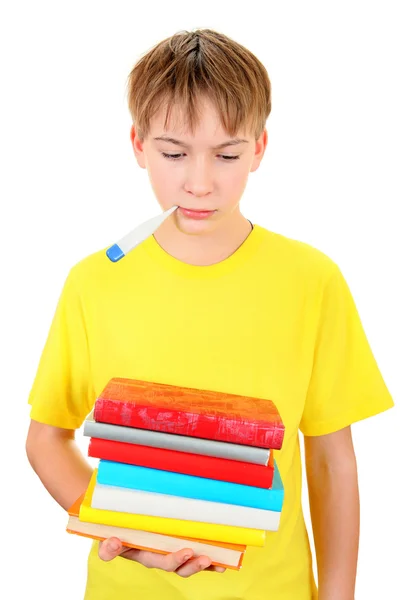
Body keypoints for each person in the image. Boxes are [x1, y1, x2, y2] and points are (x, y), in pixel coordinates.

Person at [25, 28, 394, 600]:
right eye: (174, 153)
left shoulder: (311, 280)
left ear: (261, 148)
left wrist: (339, 595)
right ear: (138, 144)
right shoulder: (93, 283)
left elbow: (330, 461)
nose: (199, 182)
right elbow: (47, 437)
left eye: (227, 154)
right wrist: (117, 526)